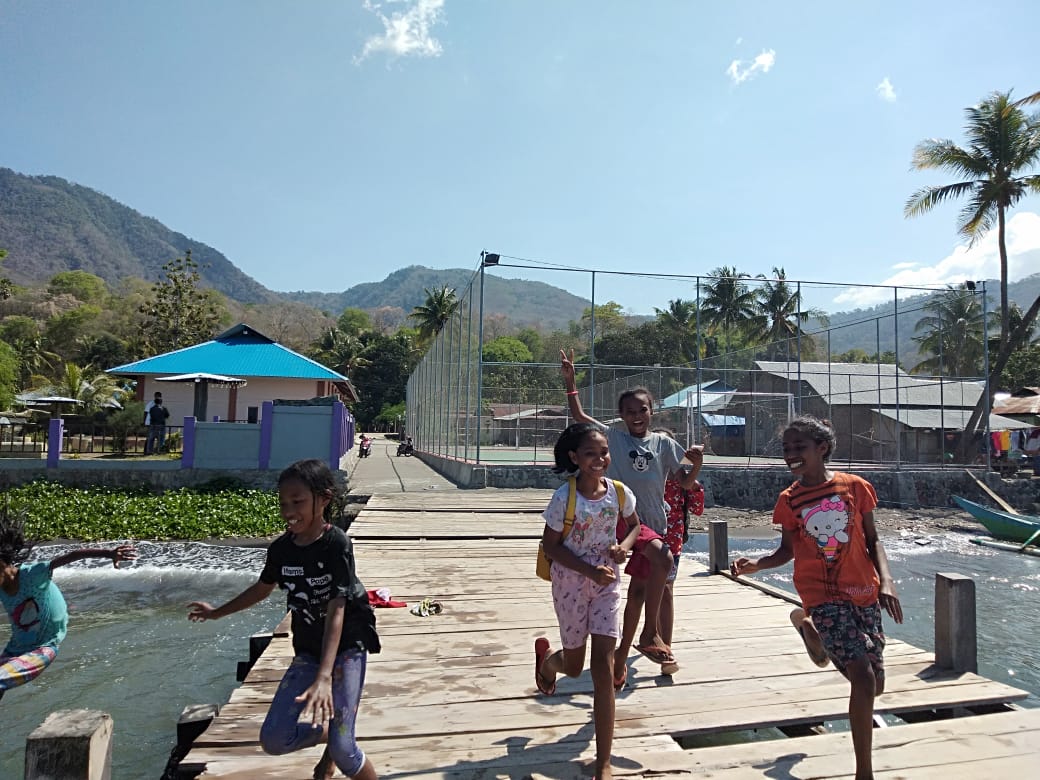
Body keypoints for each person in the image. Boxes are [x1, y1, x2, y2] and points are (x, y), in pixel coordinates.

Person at [730, 416, 903, 780]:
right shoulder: (789, 500)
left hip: (865, 591)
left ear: (821, 448)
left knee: (877, 683)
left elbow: (874, 540)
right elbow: (786, 551)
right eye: (787, 448)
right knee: (864, 678)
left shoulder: (855, 487)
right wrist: (756, 565)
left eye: (800, 447)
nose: (791, 454)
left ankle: (813, 636)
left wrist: (886, 581)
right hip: (821, 595)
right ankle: (864, 773)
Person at [188, 459, 380, 780]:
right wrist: (215, 612)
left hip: (347, 647)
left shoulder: (336, 545)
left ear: (325, 499)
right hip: (307, 649)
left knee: (347, 751)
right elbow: (262, 589)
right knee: (274, 739)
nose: (288, 510)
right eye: (283, 502)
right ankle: (329, 739)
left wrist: (324, 677)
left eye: (298, 501)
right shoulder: (281, 549)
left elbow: (337, 608)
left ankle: (336, 745)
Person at [561, 349, 703, 678]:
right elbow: (580, 416)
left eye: (642, 410)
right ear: (621, 415)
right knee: (658, 574)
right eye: (630, 411)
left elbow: (684, 482)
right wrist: (570, 383)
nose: (637, 415)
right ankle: (648, 639)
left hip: (656, 524)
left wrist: (696, 464)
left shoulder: (664, 444)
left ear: (652, 411)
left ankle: (634, 654)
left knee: (647, 591)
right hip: (626, 525)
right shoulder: (615, 435)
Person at [534, 423, 640, 780]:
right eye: (591, 454)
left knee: (603, 671)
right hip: (570, 584)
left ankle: (603, 761)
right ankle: (550, 663)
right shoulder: (564, 497)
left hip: (607, 584)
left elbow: (635, 527)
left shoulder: (620, 493)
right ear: (575, 458)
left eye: (604, 452)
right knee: (575, 666)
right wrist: (588, 571)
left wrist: (622, 548)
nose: (600, 459)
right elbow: (551, 546)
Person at [1, 505, 136, 702]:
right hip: (14, 650)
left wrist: (109, 554)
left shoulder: (33, 574)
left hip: (42, 649)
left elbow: (74, 555)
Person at [652, 427, 705, 676]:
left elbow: (697, 508)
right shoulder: (643, 472)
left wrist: (694, 469)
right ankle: (650, 635)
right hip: (645, 537)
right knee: (645, 589)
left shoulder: (681, 478)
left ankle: (666, 649)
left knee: (666, 590)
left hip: (672, 539)